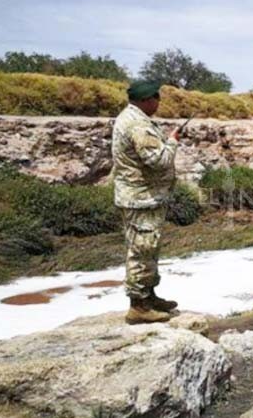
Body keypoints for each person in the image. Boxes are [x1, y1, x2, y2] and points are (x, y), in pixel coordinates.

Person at [112, 80, 181, 324]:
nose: (158, 103)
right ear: (146, 100)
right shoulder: (137, 124)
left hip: (142, 198)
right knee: (142, 250)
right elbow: (158, 160)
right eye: (156, 99)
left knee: (148, 247)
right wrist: (172, 141)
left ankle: (148, 296)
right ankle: (139, 306)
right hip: (140, 199)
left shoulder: (132, 118)